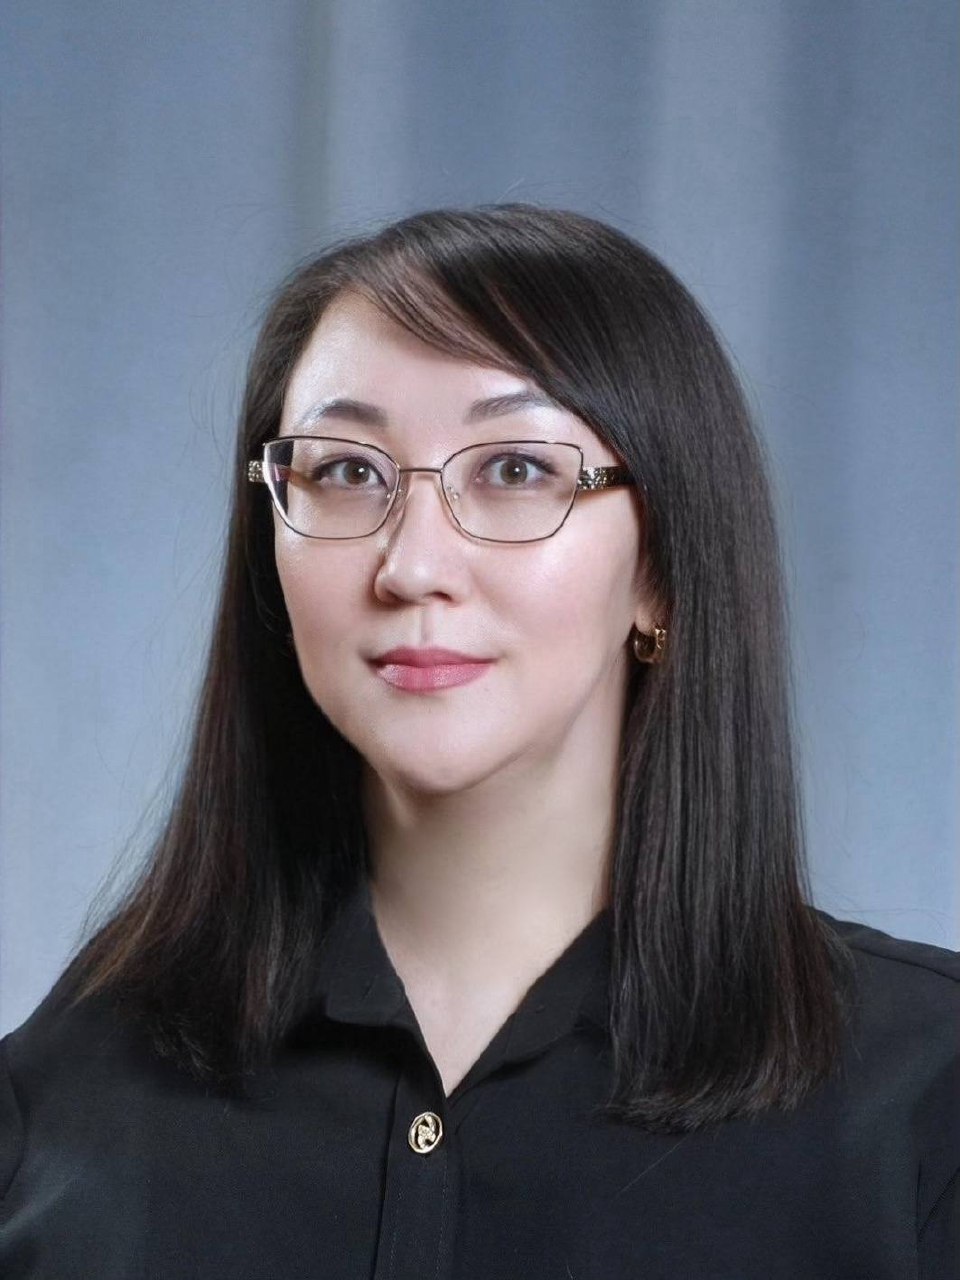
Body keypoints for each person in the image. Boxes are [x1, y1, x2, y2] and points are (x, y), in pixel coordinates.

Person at [0, 205, 956, 1279]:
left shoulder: (925, 1098)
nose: (413, 566)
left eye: (513, 471)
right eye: (347, 471)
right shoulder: (63, 1103)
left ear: (660, 572)